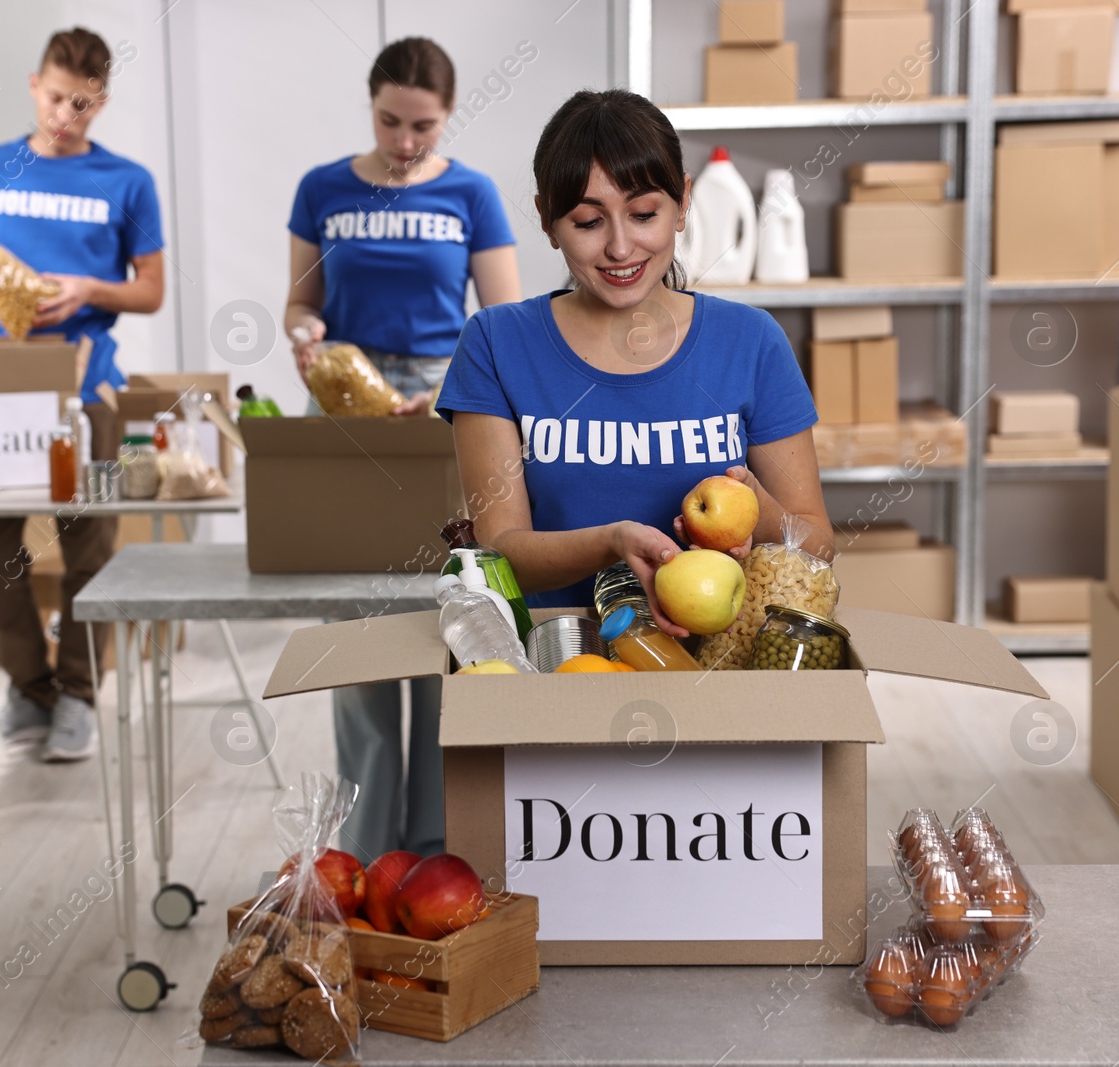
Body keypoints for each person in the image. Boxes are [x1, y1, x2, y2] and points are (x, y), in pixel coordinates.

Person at [435, 88, 831, 630]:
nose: (621, 248)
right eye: (587, 222)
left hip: (719, 663)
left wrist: (757, 512)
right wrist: (613, 542)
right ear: (548, 221)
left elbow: (819, 548)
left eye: (644, 213)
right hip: (559, 660)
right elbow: (501, 554)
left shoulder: (752, 340)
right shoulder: (496, 344)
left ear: (684, 204)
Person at [283, 37, 521, 859]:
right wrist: (304, 335)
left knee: (440, 613)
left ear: (447, 117)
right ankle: (370, 839)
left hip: (440, 407)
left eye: (422, 125)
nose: (404, 139)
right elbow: (300, 307)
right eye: (390, 120)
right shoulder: (322, 188)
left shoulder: (472, 193)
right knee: (357, 615)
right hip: (347, 403)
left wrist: (456, 386)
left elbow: (506, 326)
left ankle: (434, 836)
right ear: (371, 106)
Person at [0, 27, 165, 761]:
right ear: (34, 84)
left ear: (100, 102)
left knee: (88, 545)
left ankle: (76, 698)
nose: (66, 115)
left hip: (86, 385)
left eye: (83, 104)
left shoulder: (127, 182)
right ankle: (27, 694)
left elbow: (152, 288)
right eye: (55, 97)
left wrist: (89, 289)